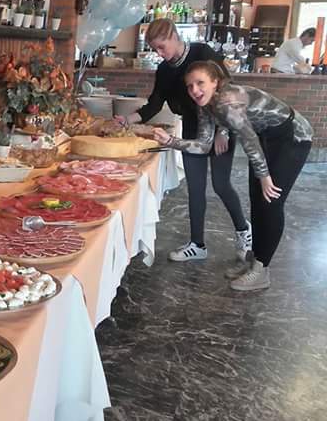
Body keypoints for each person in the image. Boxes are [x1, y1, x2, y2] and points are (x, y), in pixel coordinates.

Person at [153, 61, 313, 291]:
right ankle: (253, 261)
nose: (194, 90)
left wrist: (265, 176)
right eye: (190, 86)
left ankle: (262, 270)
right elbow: (204, 145)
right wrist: (171, 141)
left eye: (200, 83)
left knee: (270, 201)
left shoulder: (227, 101)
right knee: (257, 200)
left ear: (215, 82)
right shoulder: (206, 104)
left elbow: (249, 139)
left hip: (293, 136)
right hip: (267, 136)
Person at [115, 19, 251, 262]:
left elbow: (228, 90)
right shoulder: (164, 70)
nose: (159, 53)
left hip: (220, 124)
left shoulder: (203, 53)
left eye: (162, 47)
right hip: (191, 127)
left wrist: (223, 131)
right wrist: (127, 120)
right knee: (195, 188)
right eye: (155, 49)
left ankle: (244, 231)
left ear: (174, 36)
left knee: (221, 185)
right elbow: (153, 105)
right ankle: (197, 244)